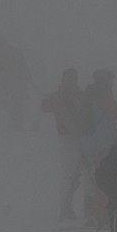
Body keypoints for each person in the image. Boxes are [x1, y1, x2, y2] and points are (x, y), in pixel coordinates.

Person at [80, 69, 117, 224]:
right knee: (106, 179)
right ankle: (101, 213)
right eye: (112, 79)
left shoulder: (88, 94)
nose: (113, 82)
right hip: (104, 143)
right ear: (106, 80)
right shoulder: (105, 95)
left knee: (99, 178)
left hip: (91, 143)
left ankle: (97, 212)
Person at [41, 68, 86, 221]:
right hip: (66, 137)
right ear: (63, 79)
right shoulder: (59, 95)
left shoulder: (79, 94)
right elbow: (45, 106)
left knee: (78, 173)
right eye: (68, 78)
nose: (71, 81)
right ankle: (65, 208)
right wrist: (56, 102)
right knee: (69, 173)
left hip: (81, 136)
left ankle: (70, 207)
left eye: (73, 79)